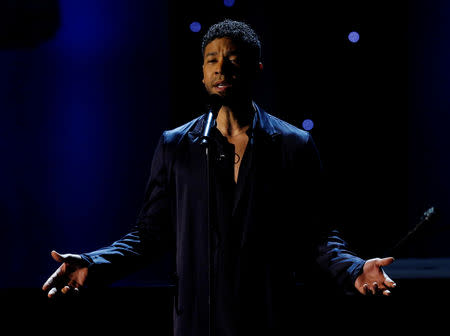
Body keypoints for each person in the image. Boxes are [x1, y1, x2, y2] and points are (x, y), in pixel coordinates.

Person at [42, 19, 396, 336]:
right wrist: (93, 263)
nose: (221, 68)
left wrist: (355, 268)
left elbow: (318, 236)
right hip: (198, 318)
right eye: (211, 60)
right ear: (201, 73)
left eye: (233, 59)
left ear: (256, 69)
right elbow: (149, 235)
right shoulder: (175, 145)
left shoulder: (294, 145)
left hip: (269, 315)